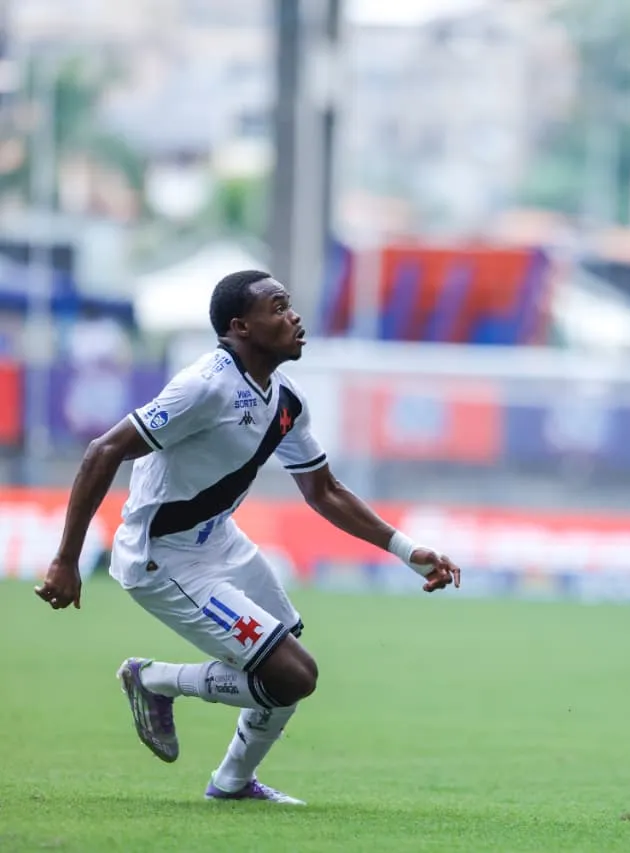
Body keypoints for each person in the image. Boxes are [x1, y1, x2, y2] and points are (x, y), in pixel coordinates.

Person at [34, 270, 461, 805]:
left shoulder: (286, 399)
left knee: (284, 664)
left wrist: (405, 550)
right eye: (278, 307)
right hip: (162, 560)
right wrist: (66, 559)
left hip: (220, 543)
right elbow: (103, 450)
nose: (294, 316)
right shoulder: (204, 386)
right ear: (240, 326)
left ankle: (232, 784)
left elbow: (323, 490)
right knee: (293, 675)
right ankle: (154, 679)